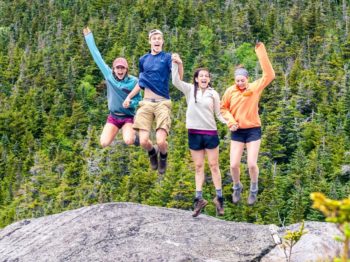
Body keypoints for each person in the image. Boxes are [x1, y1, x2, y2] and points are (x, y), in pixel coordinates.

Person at [220, 42, 275, 206]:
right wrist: (231, 122)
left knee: (251, 164)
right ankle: (237, 186)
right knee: (234, 165)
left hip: (253, 130)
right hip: (237, 131)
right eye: (237, 80)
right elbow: (223, 108)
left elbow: (270, 75)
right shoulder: (230, 91)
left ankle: (253, 187)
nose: (240, 83)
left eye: (242, 80)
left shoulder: (255, 87)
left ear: (247, 79)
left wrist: (260, 51)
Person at [172, 54, 227, 217]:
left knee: (214, 166)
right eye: (201, 76)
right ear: (196, 79)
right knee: (198, 167)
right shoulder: (190, 90)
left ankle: (219, 198)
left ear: (209, 79)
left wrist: (229, 123)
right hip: (194, 133)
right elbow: (175, 81)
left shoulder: (213, 94)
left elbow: (219, 113)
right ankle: (199, 199)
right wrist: (177, 64)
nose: (204, 78)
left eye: (206, 76)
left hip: (210, 133)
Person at [123, 29, 183, 174]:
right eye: (154, 38)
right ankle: (152, 152)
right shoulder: (143, 60)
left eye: (159, 38)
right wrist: (129, 96)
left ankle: (163, 155)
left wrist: (180, 64)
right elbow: (141, 82)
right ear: (149, 41)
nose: (156, 40)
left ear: (162, 41)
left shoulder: (167, 58)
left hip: (163, 102)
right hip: (146, 102)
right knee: (143, 141)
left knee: (161, 141)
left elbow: (178, 79)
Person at [83, 27, 141, 148]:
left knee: (129, 140)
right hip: (113, 117)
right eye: (117, 68)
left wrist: (130, 103)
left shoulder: (133, 82)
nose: (120, 70)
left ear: (126, 70)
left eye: (122, 68)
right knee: (103, 142)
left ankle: (135, 137)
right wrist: (89, 38)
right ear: (114, 69)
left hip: (128, 117)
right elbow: (97, 57)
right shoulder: (109, 76)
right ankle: (122, 132)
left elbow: (139, 100)